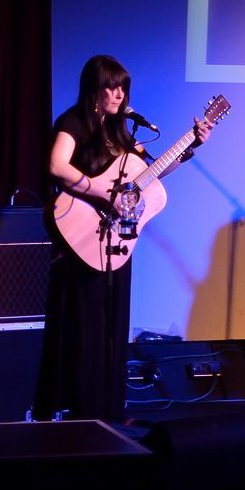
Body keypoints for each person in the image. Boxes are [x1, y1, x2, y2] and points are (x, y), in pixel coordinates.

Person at [33, 54, 210, 422]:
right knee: (85, 326)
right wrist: (95, 188)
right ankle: (77, 407)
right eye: (111, 87)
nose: (118, 94)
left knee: (112, 326)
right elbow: (55, 165)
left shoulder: (121, 132)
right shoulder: (73, 122)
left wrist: (191, 144)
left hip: (114, 240)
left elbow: (148, 175)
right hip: (80, 236)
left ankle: (105, 410)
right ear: (94, 89)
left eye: (122, 87)